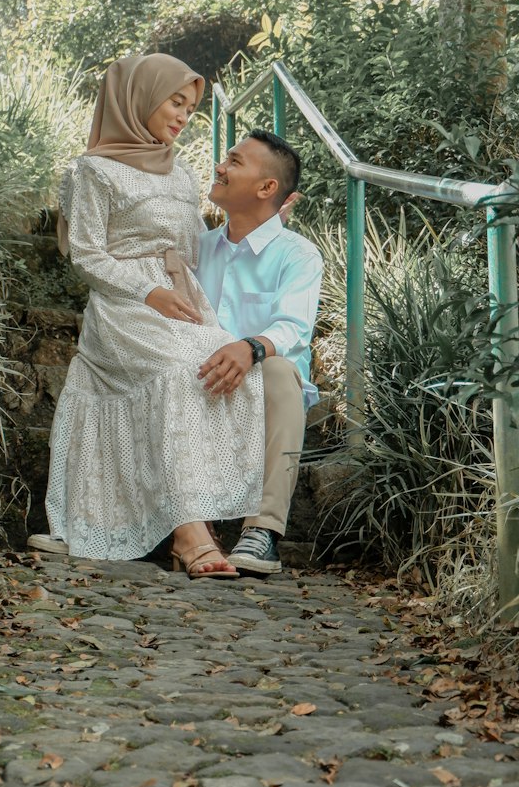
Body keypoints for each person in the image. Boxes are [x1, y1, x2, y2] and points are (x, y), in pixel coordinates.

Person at [38, 53, 266, 578]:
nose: (184, 115)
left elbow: (192, 247)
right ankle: (191, 536)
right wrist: (148, 292)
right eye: (176, 101)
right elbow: (87, 254)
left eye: (191, 107)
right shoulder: (91, 170)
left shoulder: (182, 172)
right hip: (125, 308)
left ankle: (196, 517)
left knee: (227, 365)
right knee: (178, 373)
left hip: (183, 301)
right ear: (138, 98)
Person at [195, 130, 323, 575]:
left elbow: (293, 326)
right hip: (201, 380)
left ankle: (262, 531)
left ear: (268, 188)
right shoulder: (197, 249)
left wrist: (250, 348)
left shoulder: (298, 255)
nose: (219, 167)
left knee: (283, 372)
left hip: (263, 387)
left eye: (234, 161)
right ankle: (189, 522)